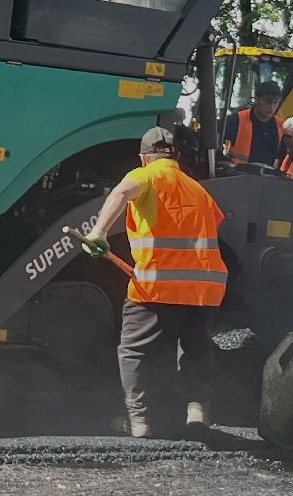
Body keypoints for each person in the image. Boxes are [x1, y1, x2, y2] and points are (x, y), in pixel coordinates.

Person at [84, 126, 228, 440]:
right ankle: (197, 410)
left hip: (157, 285)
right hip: (204, 288)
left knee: (133, 351)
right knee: (196, 348)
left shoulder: (147, 175)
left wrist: (98, 232)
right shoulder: (199, 189)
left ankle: (139, 421)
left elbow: (121, 192)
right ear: (176, 156)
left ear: (143, 157)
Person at [221, 80, 284, 167]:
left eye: (276, 103)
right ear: (257, 99)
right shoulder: (237, 120)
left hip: (268, 177)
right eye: (268, 102)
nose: (272, 107)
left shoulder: (281, 126)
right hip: (238, 175)